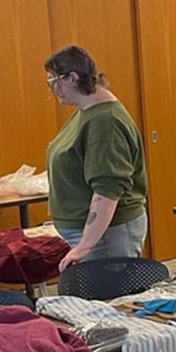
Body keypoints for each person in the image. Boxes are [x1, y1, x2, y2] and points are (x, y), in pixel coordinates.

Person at [44, 45, 148, 271]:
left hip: (106, 236)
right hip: (94, 235)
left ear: (72, 78)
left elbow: (107, 191)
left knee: (110, 301)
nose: (52, 88)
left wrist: (84, 246)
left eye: (53, 81)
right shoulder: (87, 112)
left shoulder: (105, 122)